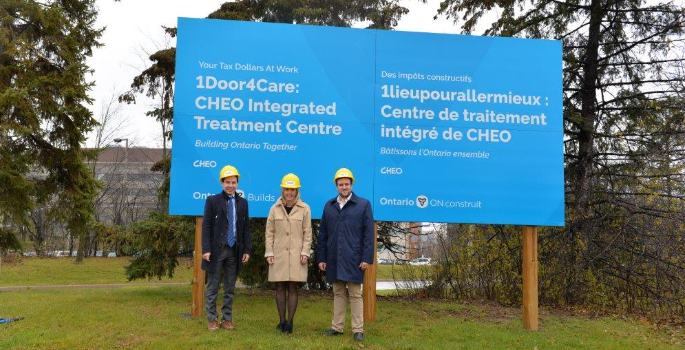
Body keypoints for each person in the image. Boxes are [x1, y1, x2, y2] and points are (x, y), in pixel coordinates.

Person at [317, 168, 374, 342]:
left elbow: (368, 235)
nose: (344, 187)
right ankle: (337, 327)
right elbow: (323, 234)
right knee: (338, 293)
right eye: (341, 184)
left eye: (347, 184)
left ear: (352, 184)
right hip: (334, 257)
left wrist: (366, 258)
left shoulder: (363, 205)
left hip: (354, 258)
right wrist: (321, 257)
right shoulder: (329, 205)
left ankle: (358, 329)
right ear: (336, 186)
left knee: (356, 294)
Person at [201, 165, 252, 331]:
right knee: (213, 287)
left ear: (237, 183)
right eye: (227, 182)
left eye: (234, 182)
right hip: (216, 251)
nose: (231, 185)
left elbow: (245, 228)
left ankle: (227, 319)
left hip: (234, 251)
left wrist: (247, 250)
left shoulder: (243, 203)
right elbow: (206, 226)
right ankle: (212, 319)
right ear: (222, 183)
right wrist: (206, 249)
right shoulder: (212, 201)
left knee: (230, 287)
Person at [264, 173, 313, 334]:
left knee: (293, 287)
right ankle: (281, 321)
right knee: (279, 287)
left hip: (297, 255)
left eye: (292, 189)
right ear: (282, 190)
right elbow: (269, 232)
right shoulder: (274, 208)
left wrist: (305, 251)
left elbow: (308, 233)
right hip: (278, 254)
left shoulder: (305, 208)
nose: (289, 193)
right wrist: (269, 252)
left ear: (297, 190)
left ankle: (290, 323)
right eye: (286, 189)